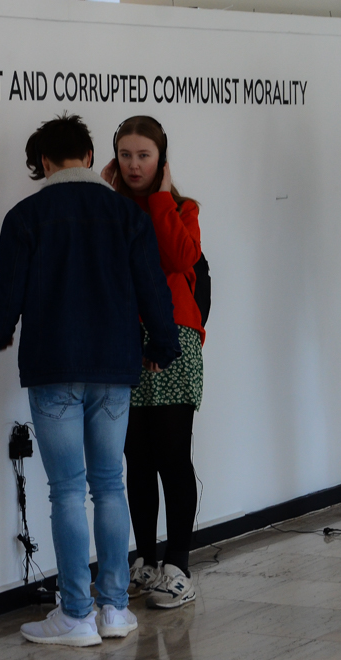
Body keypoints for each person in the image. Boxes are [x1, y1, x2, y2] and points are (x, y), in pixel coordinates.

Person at [0, 114, 180, 647]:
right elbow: (153, 288)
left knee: (67, 490)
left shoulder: (25, 216)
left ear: (44, 163)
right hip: (115, 368)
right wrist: (162, 347)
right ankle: (114, 609)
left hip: (53, 367)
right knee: (110, 484)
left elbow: (8, 292)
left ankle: (75, 615)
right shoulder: (125, 214)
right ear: (92, 157)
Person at [101, 116, 203, 608]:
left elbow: (182, 258)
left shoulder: (182, 208)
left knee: (171, 456)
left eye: (144, 155)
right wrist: (108, 199)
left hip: (174, 339)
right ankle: (144, 560)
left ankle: (178, 565)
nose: (134, 165)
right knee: (135, 458)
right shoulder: (111, 208)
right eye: (125, 155)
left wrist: (161, 199)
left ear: (162, 159)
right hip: (124, 339)